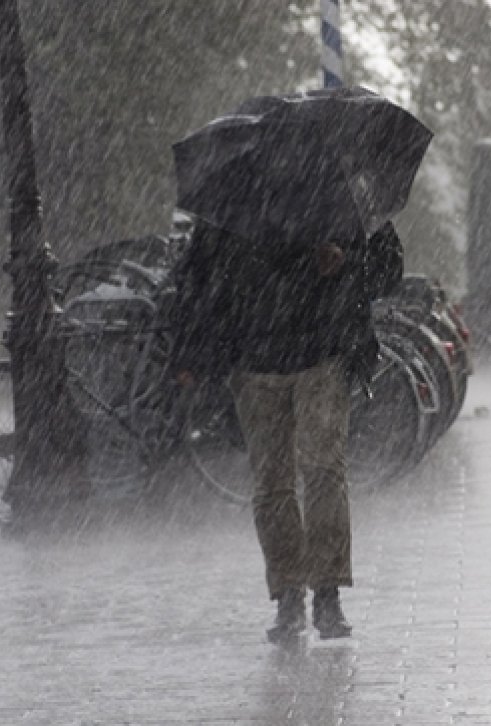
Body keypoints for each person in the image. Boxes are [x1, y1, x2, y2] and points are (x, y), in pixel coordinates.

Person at [169, 217, 403, 643]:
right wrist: (193, 352)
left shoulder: (341, 193)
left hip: (323, 354)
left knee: (322, 471)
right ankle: (289, 595)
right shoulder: (234, 200)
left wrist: (345, 262)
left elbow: (388, 271)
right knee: (273, 482)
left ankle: (326, 594)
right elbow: (199, 278)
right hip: (255, 362)